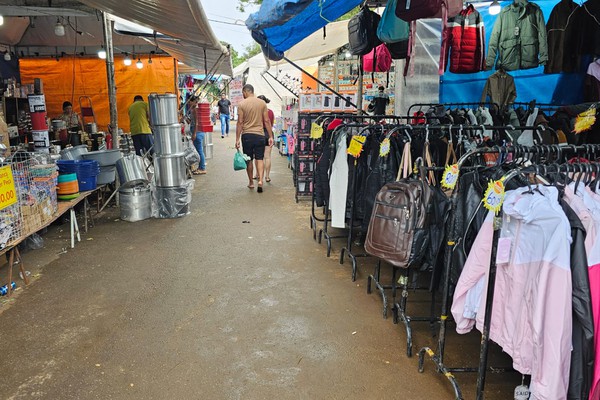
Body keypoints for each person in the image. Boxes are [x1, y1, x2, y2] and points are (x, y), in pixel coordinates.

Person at [236, 84, 273, 193]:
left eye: (243, 93)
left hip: (247, 135)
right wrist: (270, 136)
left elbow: (240, 122)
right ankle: (261, 180)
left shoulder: (242, 104)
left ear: (245, 92)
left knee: (248, 159)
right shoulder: (262, 103)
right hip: (260, 135)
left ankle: (251, 182)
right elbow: (267, 121)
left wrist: (237, 139)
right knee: (260, 158)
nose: (243, 95)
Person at [254, 95, 275, 183]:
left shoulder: (255, 112)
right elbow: (272, 124)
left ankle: (257, 174)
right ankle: (267, 176)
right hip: (268, 134)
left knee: (258, 157)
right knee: (267, 157)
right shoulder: (270, 112)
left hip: (258, 133)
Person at [187, 97, 206, 175]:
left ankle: (202, 168)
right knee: (199, 150)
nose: (188, 103)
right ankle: (200, 167)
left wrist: (194, 133)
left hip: (198, 132)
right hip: (197, 131)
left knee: (199, 151)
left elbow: (196, 123)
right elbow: (192, 122)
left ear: (193, 102)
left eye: (190, 102)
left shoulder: (195, 110)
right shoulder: (192, 110)